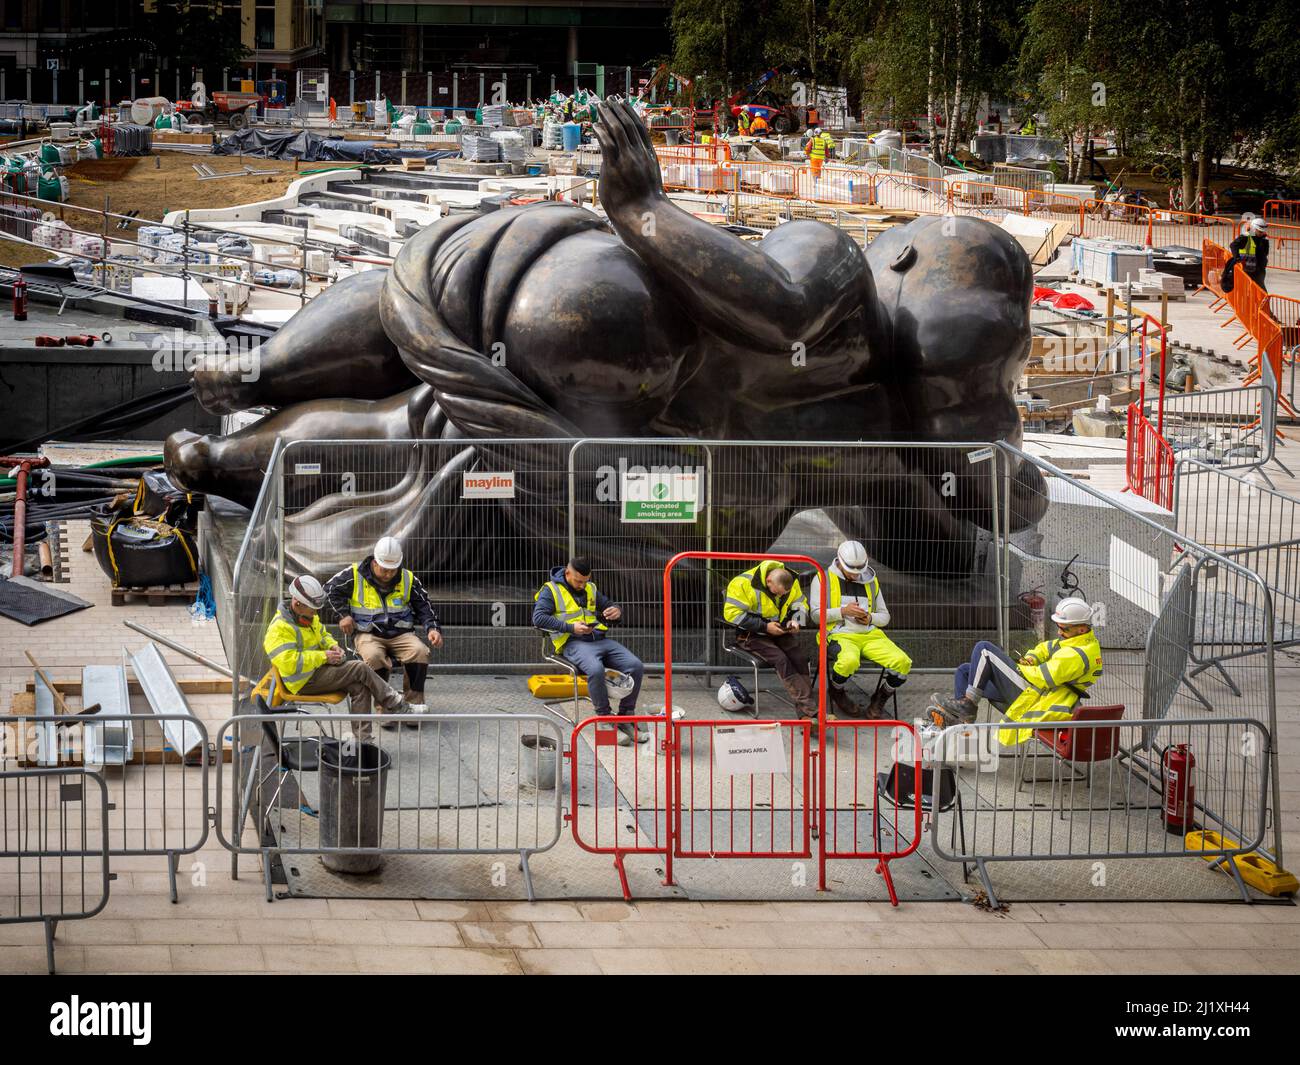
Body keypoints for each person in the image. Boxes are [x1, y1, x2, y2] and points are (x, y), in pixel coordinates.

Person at [929, 597, 1103, 746]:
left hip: (1036, 697)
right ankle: (961, 723)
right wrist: (1032, 657)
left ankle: (966, 708)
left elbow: (1044, 677)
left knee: (984, 650)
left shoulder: (1078, 654)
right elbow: (1045, 648)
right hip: (1034, 692)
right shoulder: (1075, 640)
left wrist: (1020, 668)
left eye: (1064, 628)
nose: (1059, 631)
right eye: (1058, 626)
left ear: (1081, 628)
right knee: (965, 671)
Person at [263, 574, 416, 739]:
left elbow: (322, 634)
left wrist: (332, 646)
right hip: (302, 682)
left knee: (360, 687)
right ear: (297, 602)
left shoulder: (307, 617)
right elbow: (289, 663)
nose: (316, 612)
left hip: (316, 671)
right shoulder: (278, 629)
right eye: (312, 608)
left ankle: (363, 741)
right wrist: (324, 656)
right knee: (359, 668)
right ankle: (395, 703)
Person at [325, 536, 443, 724]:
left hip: (401, 634)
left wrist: (432, 628)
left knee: (419, 652)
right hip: (367, 634)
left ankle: (413, 706)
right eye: (384, 569)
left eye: (392, 569)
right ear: (374, 561)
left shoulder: (407, 578)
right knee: (373, 657)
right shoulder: (354, 574)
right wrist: (343, 615)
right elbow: (329, 591)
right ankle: (386, 707)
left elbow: (424, 606)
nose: (388, 574)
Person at [533, 557, 647, 746]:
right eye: (578, 581)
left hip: (599, 639)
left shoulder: (589, 588)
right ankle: (604, 720)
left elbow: (608, 605)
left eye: (585, 581)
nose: (582, 585)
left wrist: (616, 610)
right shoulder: (550, 590)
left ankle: (626, 718)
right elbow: (538, 619)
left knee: (635, 666)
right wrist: (570, 627)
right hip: (572, 643)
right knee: (595, 669)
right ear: (567, 573)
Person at [808, 541, 912, 719]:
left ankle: (880, 697)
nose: (856, 576)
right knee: (848, 661)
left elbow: (885, 616)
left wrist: (870, 618)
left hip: (871, 635)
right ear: (840, 562)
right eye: (851, 571)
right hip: (839, 635)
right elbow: (816, 615)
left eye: (859, 571)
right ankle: (836, 690)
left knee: (903, 663)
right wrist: (843, 611)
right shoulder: (822, 578)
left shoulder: (872, 581)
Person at [722, 560, 817, 720]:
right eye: (776, 592)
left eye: (782, 594)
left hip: (778, 630)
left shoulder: (790, 580)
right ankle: (812, 711)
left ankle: (806, 715)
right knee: (781, 659)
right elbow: (732, 614)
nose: (779, 595)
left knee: (800, 658)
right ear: (768, 581)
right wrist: (765, 627)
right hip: (750, 635)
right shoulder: (741, 583)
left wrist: (796, 620)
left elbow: (800, 603)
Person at [1229, 216, 1270, 290]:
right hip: (1246, 269)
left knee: (1260, 291)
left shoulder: (1264, 239)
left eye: (1262, 232)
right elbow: (1233, 245)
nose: (1262, 233)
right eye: (1260, 231)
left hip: (1259, 270)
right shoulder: (1246, 237)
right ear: (1254, 229)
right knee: (1244, 290)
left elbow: (1265, 253)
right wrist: (1238, 258)